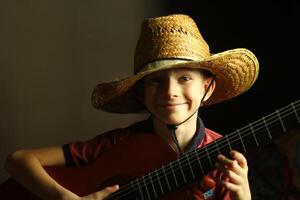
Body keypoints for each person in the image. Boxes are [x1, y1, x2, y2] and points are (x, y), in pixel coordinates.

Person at [4, 14, 259, 200]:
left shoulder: (224, 158)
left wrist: (243, 196)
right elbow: (19, 160)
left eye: (184, 78)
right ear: (140, 94)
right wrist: (62, 197)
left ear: (208, 88)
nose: (170, 91)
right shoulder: (117, 145)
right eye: (156, 81)